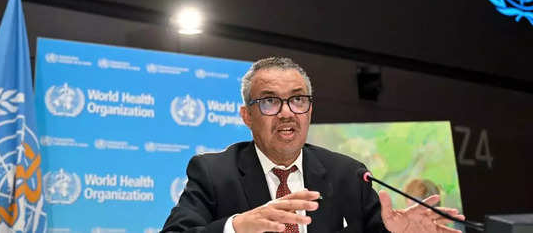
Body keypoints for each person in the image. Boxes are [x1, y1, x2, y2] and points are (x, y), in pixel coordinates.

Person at [161, 57, 464, 233]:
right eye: (269, 101)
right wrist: (237, 227)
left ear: (310, 110)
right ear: (247, 116)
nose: (286, 112)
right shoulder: (214, 173)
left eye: (297, 100)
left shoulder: (348, 174)